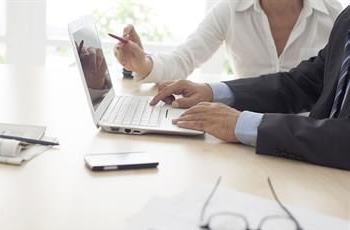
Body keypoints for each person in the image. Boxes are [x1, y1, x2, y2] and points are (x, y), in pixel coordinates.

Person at [149, 6, 350, 171]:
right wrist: (212, 92)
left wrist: (244, 124)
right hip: (318, 170)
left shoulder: (332, 12)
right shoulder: (347, 19)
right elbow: (301, 83)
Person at [114, 0, 342, 83]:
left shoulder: (332, 14)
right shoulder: (230, 10)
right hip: (244, 131)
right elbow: (184, 59)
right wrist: (142, 63)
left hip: (307, 139)